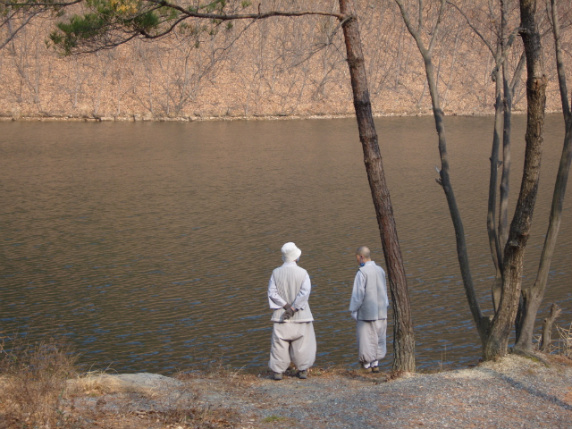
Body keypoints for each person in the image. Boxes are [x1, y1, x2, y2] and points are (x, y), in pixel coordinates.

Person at [267, 242, 316, 380]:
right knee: (303, 344)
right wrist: (294, 308)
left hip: (280, 316)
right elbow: (305, 293)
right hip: (301, 315)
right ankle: (302, 370)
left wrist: (285, 306)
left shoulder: (275, 273)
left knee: (279, 345)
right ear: (296, 257)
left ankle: (278, 371)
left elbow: (272, 293)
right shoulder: (303, 273)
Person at [349, 246, 389, 373]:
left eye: (357, 257)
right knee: (379, 338)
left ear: (361, 257)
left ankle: (366, 366)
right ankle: (376, 364)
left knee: (366, 339)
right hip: (381, 312)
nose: (357, 260)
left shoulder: (362, 273)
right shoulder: (380, 270)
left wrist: (353, 310)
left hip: (367, 313)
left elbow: (358, 295)